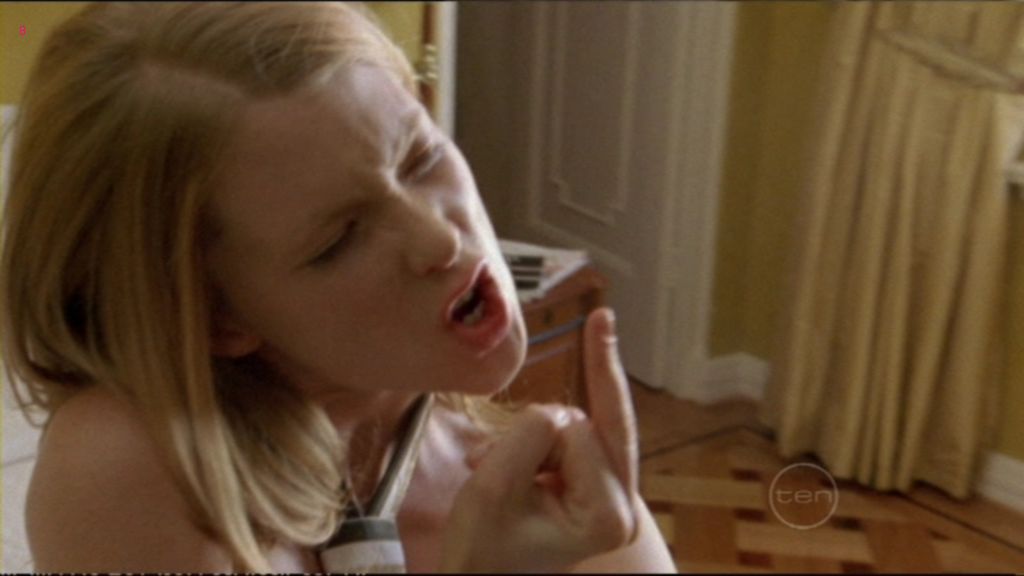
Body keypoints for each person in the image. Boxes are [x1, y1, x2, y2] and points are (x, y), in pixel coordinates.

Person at [0, 2, 677, 572]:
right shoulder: (129, 465)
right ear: (217, 318)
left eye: (420, 156)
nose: (438, 239)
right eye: (340, 238)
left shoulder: (548, 496)